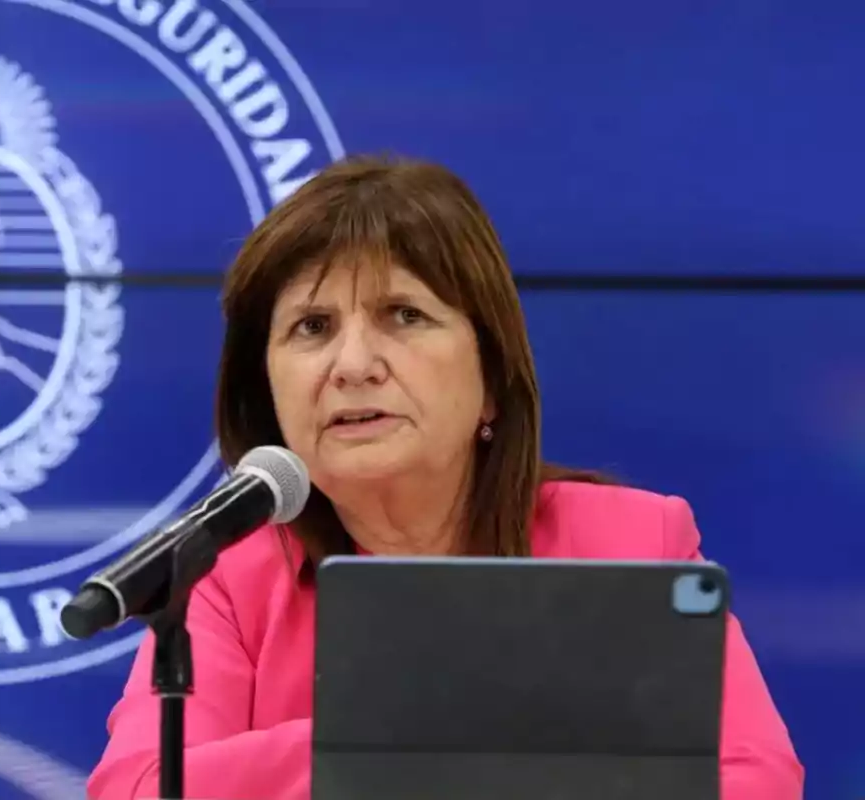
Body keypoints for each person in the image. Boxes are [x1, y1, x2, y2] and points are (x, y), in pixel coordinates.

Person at [87, 155, 804, 799]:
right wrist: (420, 745)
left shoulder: (629, 542)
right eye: (312, 327)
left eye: (403, 315)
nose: (354, 364)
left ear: (490, 379)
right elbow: (143, 787)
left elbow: (754, 780)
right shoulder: (225, 581)